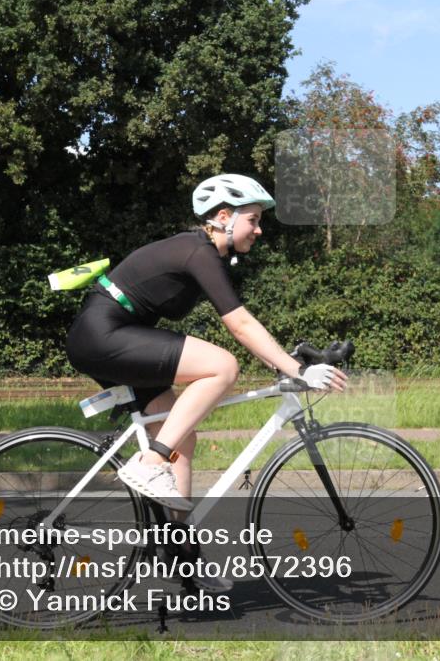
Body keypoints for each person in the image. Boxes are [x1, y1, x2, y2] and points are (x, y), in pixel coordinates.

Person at [65, 174, 348, 514]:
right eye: (253, 220)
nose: (259, 230)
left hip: (113, 334)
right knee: (222, 367)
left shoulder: (201, 252)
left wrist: (283, 360)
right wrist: (298, 370)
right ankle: (151, 461)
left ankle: (179, 544)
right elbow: (239, 323)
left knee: (181, 440)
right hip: (102, 334)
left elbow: (245, 326)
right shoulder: (197, 251)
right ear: (224, 217)